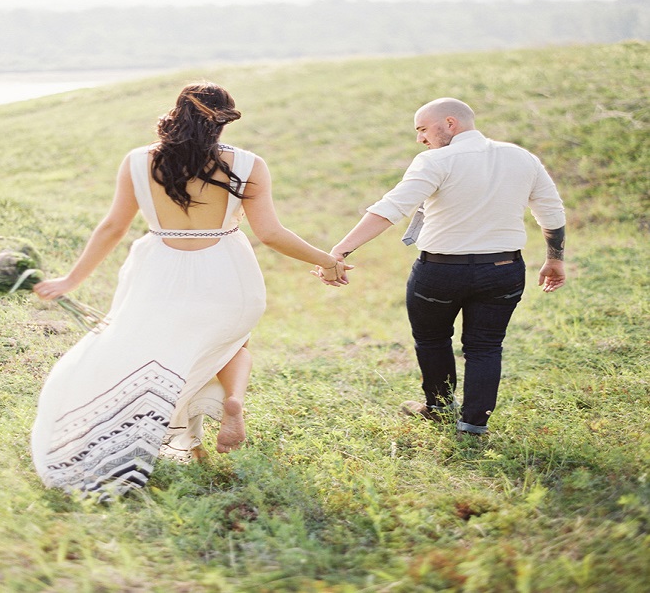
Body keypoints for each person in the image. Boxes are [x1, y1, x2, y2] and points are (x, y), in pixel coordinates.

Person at [31, 81, 348, 499]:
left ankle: (187, 441)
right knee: (226, 346)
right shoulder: (249, 164)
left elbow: (113, 227)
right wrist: (327, 261)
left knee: (168, 355)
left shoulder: (138, 162)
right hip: (226, 274)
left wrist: (70, 280)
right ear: (224, 120)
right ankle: (231, 402)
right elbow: (270, 233)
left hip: (158, 272)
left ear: (175, 114)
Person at [321, 97, 565, 438]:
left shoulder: (436, 161)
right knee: (486, 346)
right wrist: (555, 258)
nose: (420, 138)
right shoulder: (521, 157)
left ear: (450, 123)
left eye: (423, 129)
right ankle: (474, 425)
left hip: (440, 273)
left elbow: (391, 209)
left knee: (432, 338)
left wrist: (340, 251)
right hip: (504, 269)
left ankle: (437, 408)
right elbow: (551, 210)